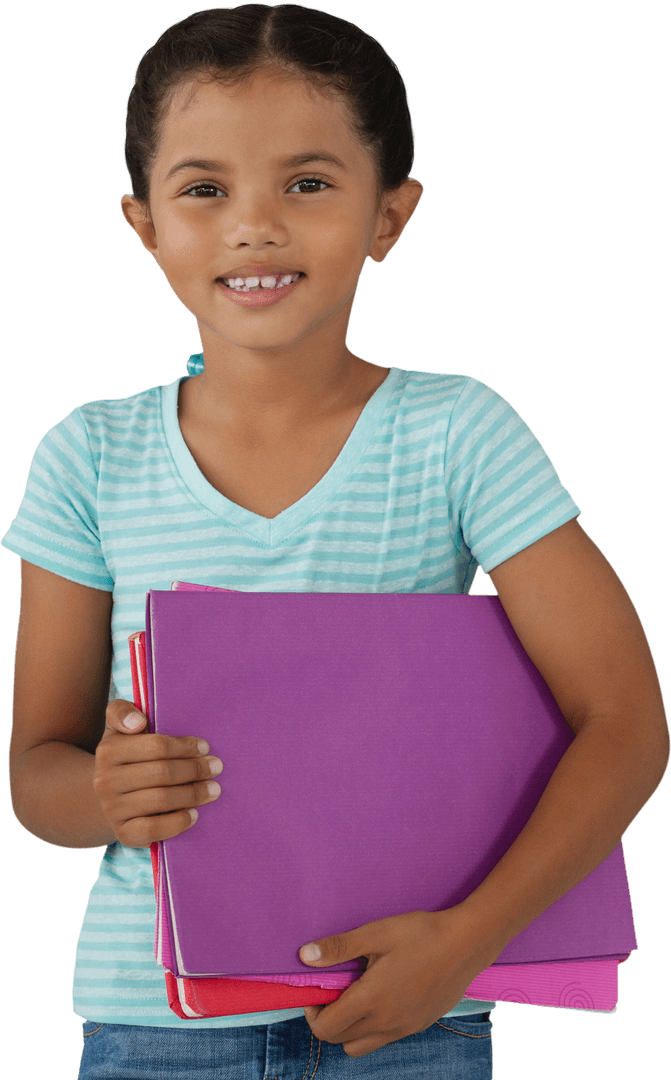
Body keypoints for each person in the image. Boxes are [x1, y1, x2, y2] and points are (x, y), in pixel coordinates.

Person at [3, 5, 667, 1079]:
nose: (253, 226)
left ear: (388, 214)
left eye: (306, 183)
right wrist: (103, 796)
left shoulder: (456, 433)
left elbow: (625, 720)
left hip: (410, 1009)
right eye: (203, 189)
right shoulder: (89, 454)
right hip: (150, 1028)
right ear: (144, 226)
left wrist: (465, 942)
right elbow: (38, 770)